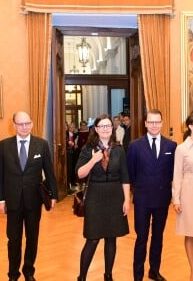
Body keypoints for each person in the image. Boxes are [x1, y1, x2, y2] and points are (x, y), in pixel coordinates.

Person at [0, 111, 58, 281]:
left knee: (32, 238)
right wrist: (0, 199)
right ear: (14, 125)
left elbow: (49, 172)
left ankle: (29, 272)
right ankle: (13, 274)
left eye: (27, 123)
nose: (24, 127)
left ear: (31, 124)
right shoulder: (4, 145)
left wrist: (53, 195)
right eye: (20, 124)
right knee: (13, 240)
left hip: (33, 201)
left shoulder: (42, 145)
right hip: (12, 201)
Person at [76, 114, 131, 281]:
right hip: (95, 196)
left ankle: (108, 275)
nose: (106, 129)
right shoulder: (88, 149)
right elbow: (79, 173)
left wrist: (127, 200)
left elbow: (125, 176)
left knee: (111, 238)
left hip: (115, 195)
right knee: (92, 239)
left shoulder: (119, 149)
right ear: (97, 129)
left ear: (112, 129)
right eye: (102, 126)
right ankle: (82, 277)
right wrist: (93, 160)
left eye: (108, 126)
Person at [127, 109, 177, 281]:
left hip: (162, 199)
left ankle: (154, 270)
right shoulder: (134, 146)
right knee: (141, 238)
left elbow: (172, 173)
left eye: (157, 122)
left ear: (162, 123)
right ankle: (138, 275)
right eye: (151, 122)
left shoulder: (171, 146)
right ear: (146, 123)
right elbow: (130, 173)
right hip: (142, 199)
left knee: (158, 237)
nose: (154, 125)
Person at [172, 112, 193, 281]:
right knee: (190, 233)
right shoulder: (181, 149)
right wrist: (176, 199)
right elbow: (177, 175)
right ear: (191, 126)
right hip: (189, 192)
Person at [66, 122, 78, 194]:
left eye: (73, 127)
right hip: (68, 153)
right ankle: (68, 187)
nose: (72, 128)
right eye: (71, 127)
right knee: (68, 169)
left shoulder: (75, 134)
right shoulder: (66, 134)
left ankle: (72, 182)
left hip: (73, 153)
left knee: (73, 168)